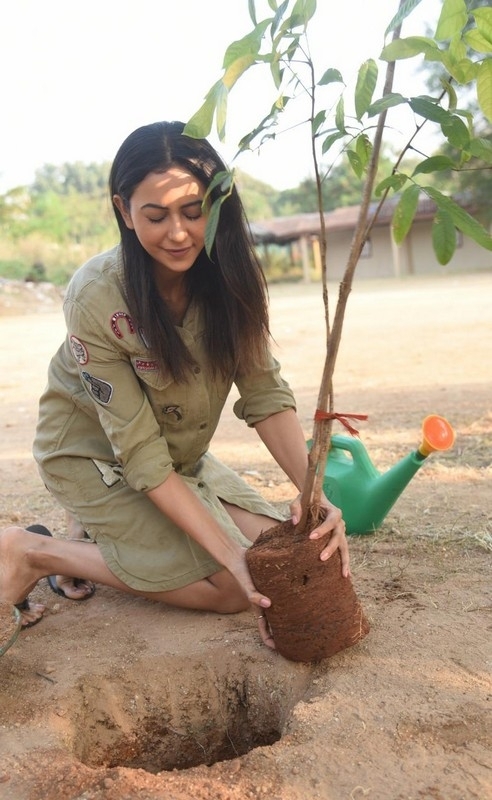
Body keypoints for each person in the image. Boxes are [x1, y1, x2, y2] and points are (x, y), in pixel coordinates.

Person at [0, 121, 349, 651]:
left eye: (193, 211)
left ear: (217, 204)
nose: (179, 233)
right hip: (95, 456)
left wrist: (315, 497)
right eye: (156, 216)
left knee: (281, 548)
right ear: (123, 211)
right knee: (234, 583)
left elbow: (264, 395)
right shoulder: (96, 296)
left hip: (178, 459)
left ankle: (96, 531)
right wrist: (227, 556)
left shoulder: (232, 276)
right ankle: (34, 552)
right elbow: (137, 452)